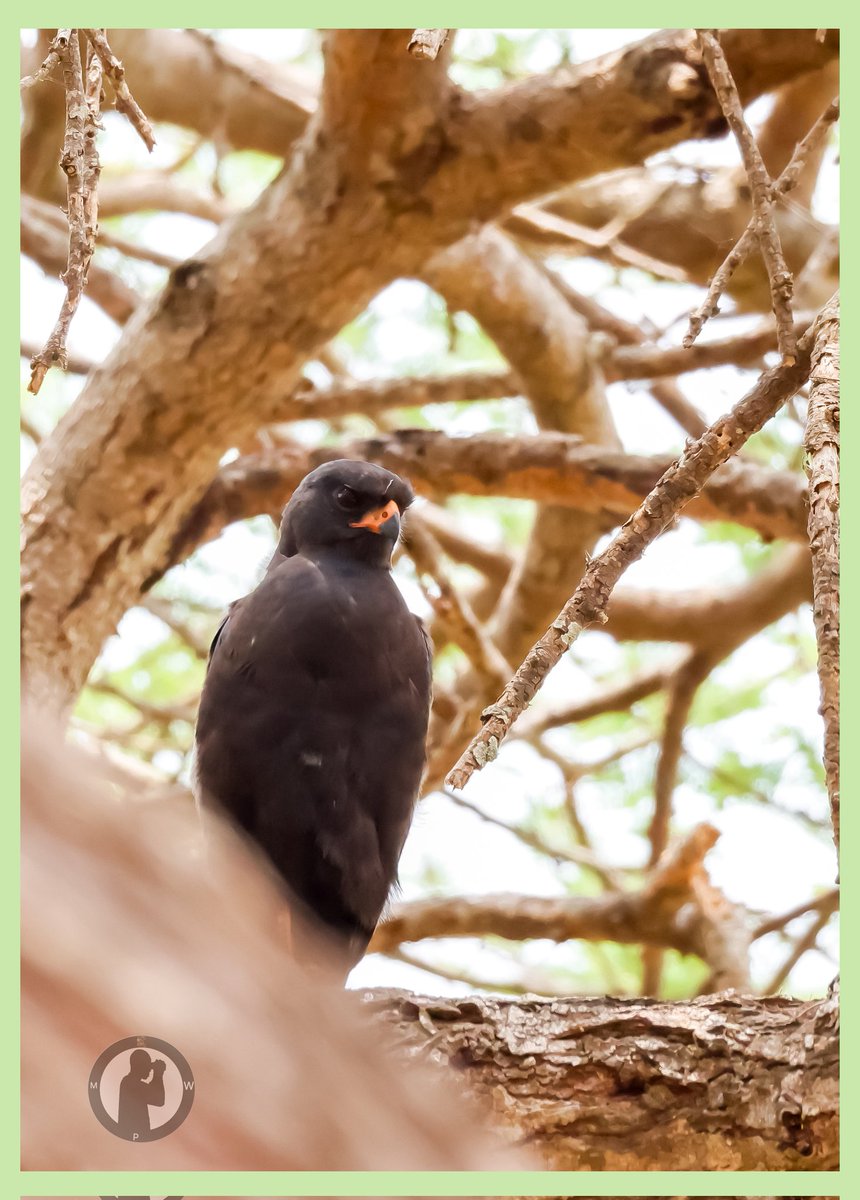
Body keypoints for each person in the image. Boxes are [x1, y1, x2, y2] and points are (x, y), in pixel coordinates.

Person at [116, 1049, 166, 1139]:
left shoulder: (129, 1082)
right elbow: (159, 1099)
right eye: (147, 1065)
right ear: (140, 1066)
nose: (149, 1070)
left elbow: (151, 1093)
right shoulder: (130, 1083)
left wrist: (157, 1073)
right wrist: (158, 1074)